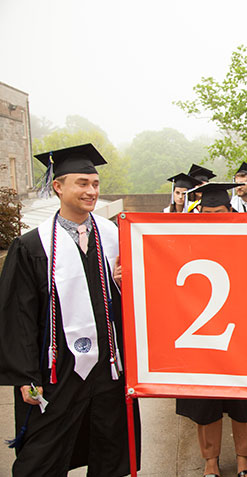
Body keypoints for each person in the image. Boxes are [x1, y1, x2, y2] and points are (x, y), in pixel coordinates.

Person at [0, 143, 141, 475]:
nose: (91, 191)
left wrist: (125, 283)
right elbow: (18, 316)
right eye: (82, 183)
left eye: (94, 184)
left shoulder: (116, 236)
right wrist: (25, 376)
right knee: (43, 456)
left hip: (110, 367)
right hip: (57, 370)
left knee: (112, 451)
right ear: (58, 186)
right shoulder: (32, 246)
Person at [175, 181, 247, 477]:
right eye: (207, 212)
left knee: (242, 400)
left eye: (220, 211)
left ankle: (244, 457)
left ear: (230, 211)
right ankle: (210, 461)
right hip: (201, 337)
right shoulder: (185, 246)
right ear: (198, 213)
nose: (214, 216)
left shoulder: (246, 241)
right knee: (205, 402)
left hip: (239, 333)